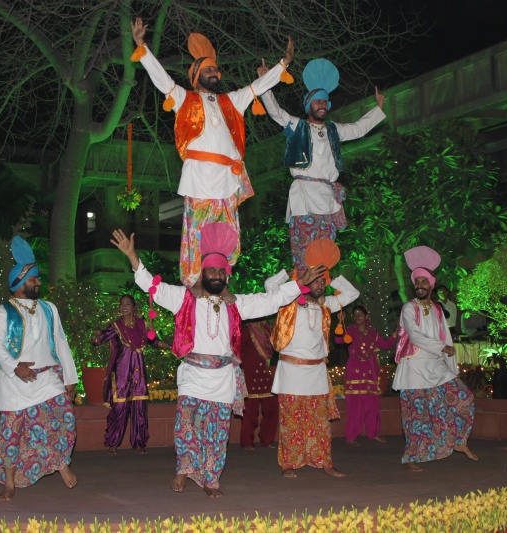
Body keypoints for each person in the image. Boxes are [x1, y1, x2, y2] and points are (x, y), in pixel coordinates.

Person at [111, 224, 324, 498]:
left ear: (226, 276)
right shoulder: (184, 299)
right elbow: (152, 286)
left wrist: (300, 283)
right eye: (211, 271)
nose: (215, 275)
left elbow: (272, 300)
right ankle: (183, 469)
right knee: (186, 425)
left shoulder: (237, 304)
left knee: (217, 433)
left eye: (220, 271)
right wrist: (132, 256)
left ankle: (211, 479)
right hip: (192, 375)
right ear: (203, 274)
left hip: (222, 379)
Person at [130, 17, 294, 287]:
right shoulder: (185, 99)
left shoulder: (231, 101)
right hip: (199, 178)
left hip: (228, 180)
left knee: (229, 234)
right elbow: (162, 80)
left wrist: (283, 64)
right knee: (197, 233)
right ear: (196, 76)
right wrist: (141, 46)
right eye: (208, 70)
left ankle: (223, 281)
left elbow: (257, 87)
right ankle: (194, 283)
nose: (214, 73)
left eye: (216, 70)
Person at [257, 58, 386, 270]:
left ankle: (321, 295)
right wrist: (265, 84)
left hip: (328, 198)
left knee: (325, 255)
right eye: (317, 101)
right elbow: (276, 112)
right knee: (305, 252)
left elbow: (358, 129)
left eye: (325, 102)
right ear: (309, 106)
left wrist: (378, 109)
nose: (322, 105)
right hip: (304, 197)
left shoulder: (333, 130)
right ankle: (303, 294)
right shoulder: (297, 126)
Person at [0, 236, 79, 501]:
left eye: (37, 279)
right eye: (33, 280)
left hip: (48, 378)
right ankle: (10, 483)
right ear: (18, 284)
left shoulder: (49, 308)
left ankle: (61, 463)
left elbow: (60, 342)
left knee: (65, 419)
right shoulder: (2, 312)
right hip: (15, 383)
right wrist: (15, 367)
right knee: (10, 434)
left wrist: (70, 378)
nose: (38, 283)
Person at [268, 239, 359, 478]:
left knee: (319, 422)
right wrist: (288, 275)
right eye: (315, 279)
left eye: (322, 281)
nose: (319, 284)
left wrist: (331, 274)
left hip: (317, 372)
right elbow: (269, 287)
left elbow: (352, 293)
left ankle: (324, 462)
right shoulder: (287, 303)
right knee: (291, 421)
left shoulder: (326, 305)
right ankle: (289, 463)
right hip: (291, 372)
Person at [392, 246, 477, 472]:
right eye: (416, 282)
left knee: (463, 398)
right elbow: (415, 335)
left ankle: (458, 441)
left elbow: (446, 337)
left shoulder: (438, 309)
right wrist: (442, 347)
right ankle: (411, 457)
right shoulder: (409, 308)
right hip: (414, 368)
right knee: (415, 417)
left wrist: (452, 367)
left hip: (436, 366)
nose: (419, 285)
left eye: (423, 281)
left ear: (431, 284)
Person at [91, 294, 170, 455]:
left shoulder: (142, 324)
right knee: (119, 408)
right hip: (121, 373)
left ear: (134, 307)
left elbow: (153, 340)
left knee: (139, 408)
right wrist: (96, 335)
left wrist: (166, 345)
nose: (124, 306)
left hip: (138, 373)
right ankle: (113, 442)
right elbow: (98, 341)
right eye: (121, 304)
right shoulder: (116, 326)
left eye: (127, 304)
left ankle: (139, 443)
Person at [335, 304, 396, 446]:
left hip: (370, 373)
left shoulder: (373, 333)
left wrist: (394, 335)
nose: (357, 317)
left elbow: (386, 345)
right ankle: (351, 436)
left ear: (366, 316)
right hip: (354, 373)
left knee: (372, 406)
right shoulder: (349, 331)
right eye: (355, 315)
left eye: (360, 315)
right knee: (354, 407)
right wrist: (340, 322)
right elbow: (338, 340)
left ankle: (373, 433)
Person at [239, 318, 278, 450]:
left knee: (272, 407)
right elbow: (238, 351)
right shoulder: (246, 330)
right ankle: (247, 442)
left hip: (265, 374)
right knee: (250, 410)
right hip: (251, 375)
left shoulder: (267, 329)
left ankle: (267, 440)